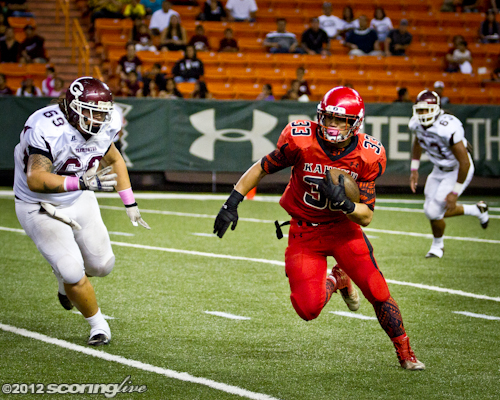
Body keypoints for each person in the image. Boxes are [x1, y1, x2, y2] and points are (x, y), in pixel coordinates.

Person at [213, 86, 425, 370]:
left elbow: (366, 216)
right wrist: (232, 201)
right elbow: (263, 166)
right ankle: (337, 280)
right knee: (307, 309)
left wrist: (347, 206)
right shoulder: (300, 140)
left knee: (377, 290)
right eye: (328, 118)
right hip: (304, 232)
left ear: (356, 123)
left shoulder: (367, 155)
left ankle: (406, 353)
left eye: (341, 120)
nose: (333, 125)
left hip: (343, 231)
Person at [13, 77, 150, 346]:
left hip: (78, 198)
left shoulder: (105, 125)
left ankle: (63, 282)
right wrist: (82, 181)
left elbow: (113, 159)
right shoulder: (45, 126)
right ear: (73, 107)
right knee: (72, 270)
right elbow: (37, 178)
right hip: (38, 204)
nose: (98, 119)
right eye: (92, 112)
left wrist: (129, 202)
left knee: (102, 266)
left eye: (102, 113)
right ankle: (98, 325)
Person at [409, 90, 488, 258]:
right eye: (420, 110)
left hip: (457, 170)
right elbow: (418, 141)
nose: (422, 114)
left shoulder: (448, 127)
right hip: (438, 169)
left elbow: (464, 163)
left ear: (437, 110)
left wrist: (455, 192)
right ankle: (476, 210)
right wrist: (414, 169)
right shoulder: (415, 124)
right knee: (430, 209)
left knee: (433, 211)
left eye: (426, 110)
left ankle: (437, 247)